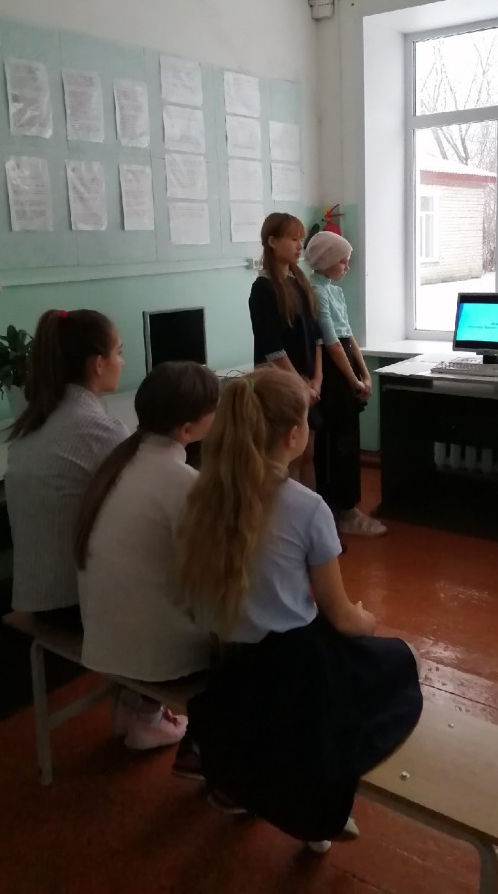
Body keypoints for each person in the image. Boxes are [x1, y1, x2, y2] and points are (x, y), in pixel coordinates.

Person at [176, 370, 423, 848]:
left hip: (227, 665)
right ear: (294, 435)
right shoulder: (307, 508)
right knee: (400, 662)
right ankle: (317, 803)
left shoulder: (203, 493)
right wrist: (368, 620)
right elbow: (342, 616)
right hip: (293, 667)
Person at [74, 362, 219, 751]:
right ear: (187, 430)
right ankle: (156, 724)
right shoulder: (183, 482)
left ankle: (136, 708)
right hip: (155, 654)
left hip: (103, 637)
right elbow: (211, 575)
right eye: (214, 410)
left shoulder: (118, 465)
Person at [5, 309, 129, 630]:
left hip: (39, 597)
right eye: (119, 352)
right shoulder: (99, 430)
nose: (122, 362)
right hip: (75, 603)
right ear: (98, 363)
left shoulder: (33, 422)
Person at [305, 230, 387, 538]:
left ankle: (349, 508)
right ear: (326, 260)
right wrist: (352, 379)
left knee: (348, 439)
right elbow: (331, 342)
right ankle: (343, 510)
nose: (347, 267)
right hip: (334, 373)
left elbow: (348, 336)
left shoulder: (335, 291)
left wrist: (365, 374)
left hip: (347, 367)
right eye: (343, 261)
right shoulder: (315, 291)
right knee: (338, 443)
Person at [248, 212, 322, 489]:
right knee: (286, 458)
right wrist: (298, 384)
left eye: (301, 239)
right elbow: (272, 347)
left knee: (308, 453)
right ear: (272, 242)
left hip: (308, 383)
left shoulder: (300, 282)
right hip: (283, 383)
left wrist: (316, 379)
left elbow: (316, 336)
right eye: (293, 239)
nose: (300, 246)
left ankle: (310, 509)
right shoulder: (263, 289)